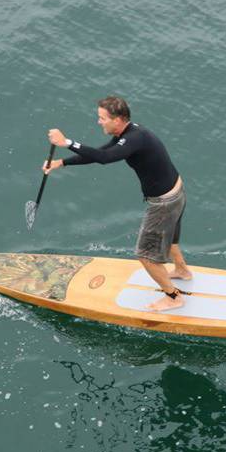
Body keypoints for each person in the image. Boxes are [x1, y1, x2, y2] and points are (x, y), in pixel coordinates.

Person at [42, 96, 192, 312]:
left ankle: (173, 297)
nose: (99, 122)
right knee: (171, 238)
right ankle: (182, 271)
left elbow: (104, 157)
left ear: (118, 119)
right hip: (176, 190)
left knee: (145, 255)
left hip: (164, 202)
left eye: (102, 118)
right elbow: (99, 154)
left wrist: (67, 143)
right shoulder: (130, 133)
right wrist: (61, 162)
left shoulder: (133, 139)